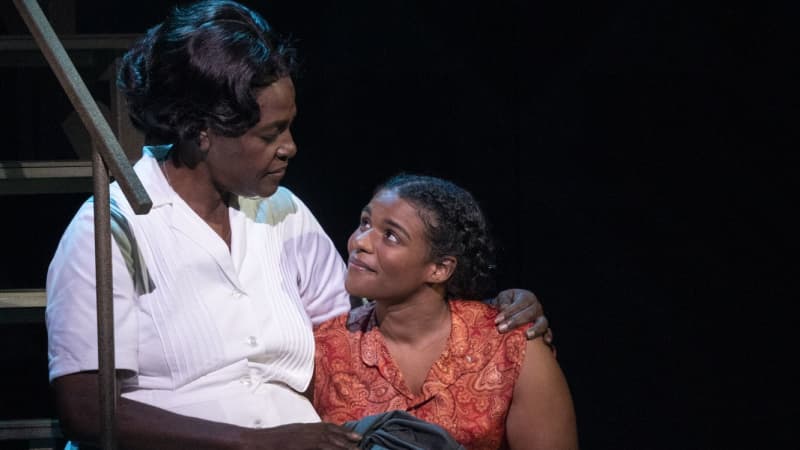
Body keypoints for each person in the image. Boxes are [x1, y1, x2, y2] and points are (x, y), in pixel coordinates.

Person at [45, 1, 550, 449]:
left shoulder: (283, 212)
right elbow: (86, 410)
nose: (289, 147)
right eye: (270, 134)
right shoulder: (111, 230)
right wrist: (254, 442)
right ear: (203, 132)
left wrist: (486, 320)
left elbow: (359, 336)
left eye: (289, 127)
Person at [313, 174, 578, 449]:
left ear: (439, 269)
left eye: (390, 235)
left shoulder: (511, 346)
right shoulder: (324, 349)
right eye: (365, 223)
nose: (360, 242)